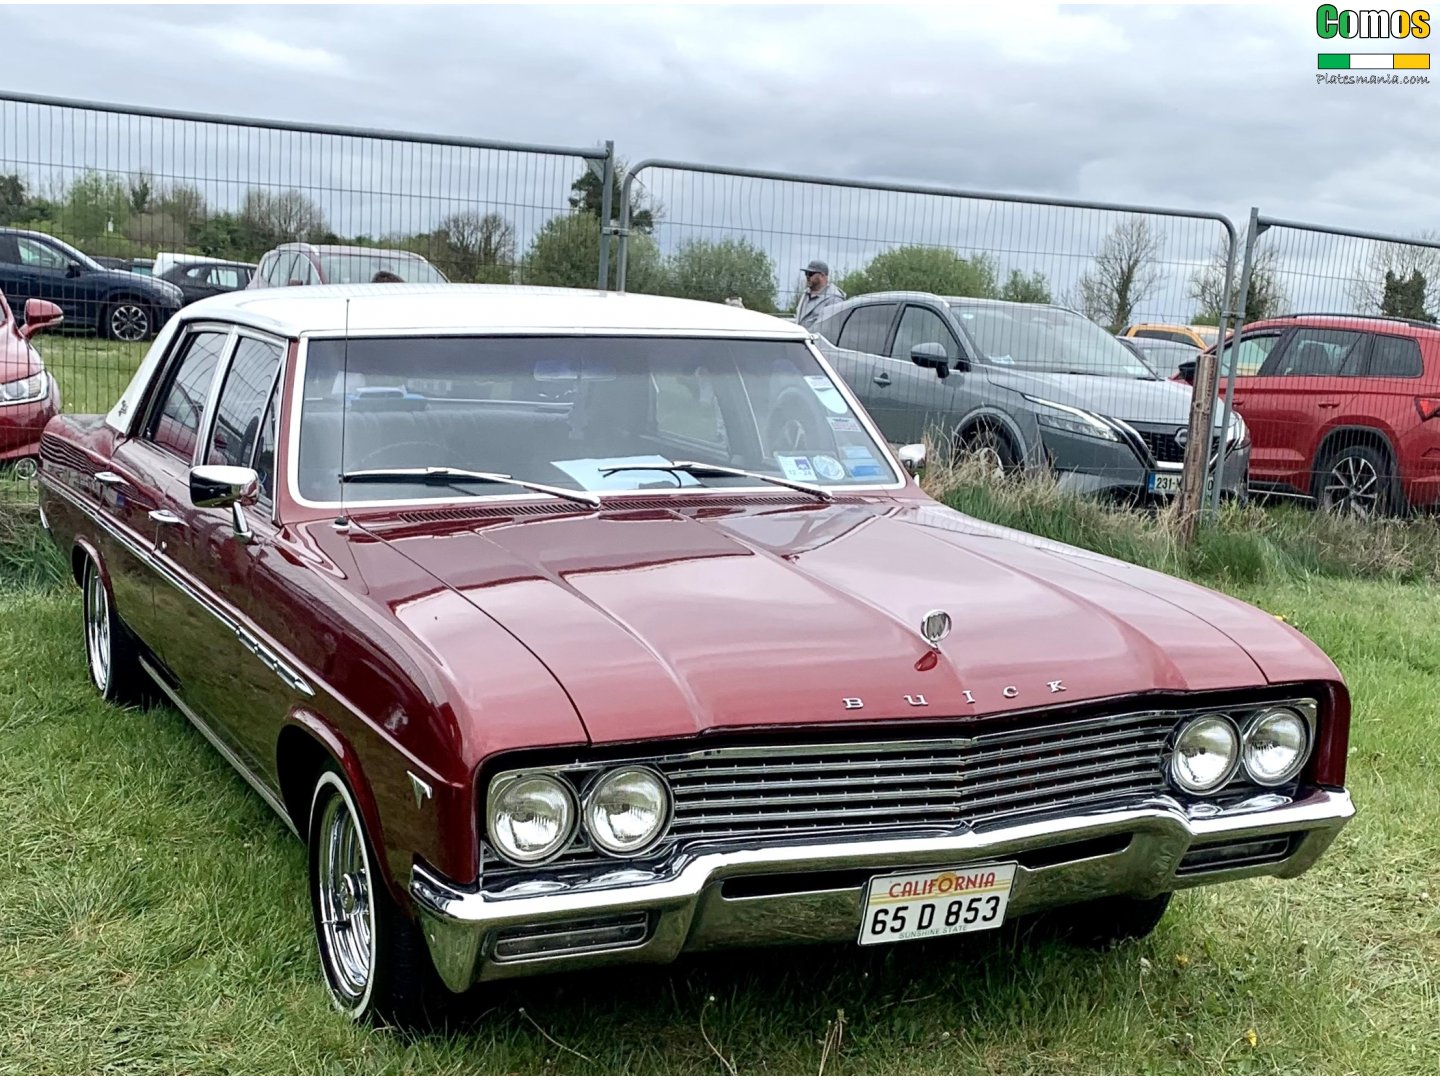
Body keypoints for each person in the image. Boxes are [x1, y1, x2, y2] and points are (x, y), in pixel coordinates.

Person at [794, 259, 845, 328]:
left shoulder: (834, 299)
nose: (807, 276)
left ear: (822, 276)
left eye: (811, 274)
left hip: (818, 338)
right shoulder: (806, 293)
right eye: (806, 273)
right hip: (802, 337)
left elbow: (833, 327)